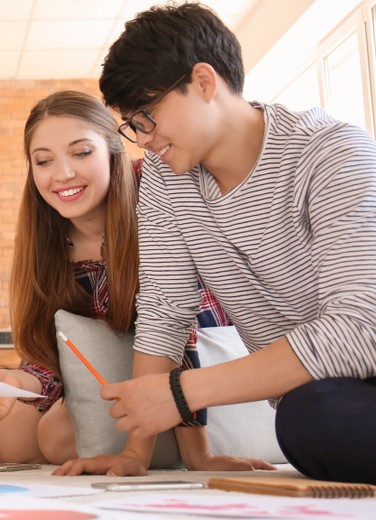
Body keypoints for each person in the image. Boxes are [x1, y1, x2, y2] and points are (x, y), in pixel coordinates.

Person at [55, 3, 376, 484]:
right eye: (132, 126)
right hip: (330, 398)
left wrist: (182, 392)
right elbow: (164, 308)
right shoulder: (166, 181)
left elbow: (360, 328)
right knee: (308, 419)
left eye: (146, 116)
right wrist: (135, 452)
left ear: (204, 82)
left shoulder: (332, 153)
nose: (144, 139)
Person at [0, 90, 272, 473]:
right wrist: (14, 382)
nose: (63, 174)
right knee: (9, 442)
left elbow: (181, 321)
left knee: (57, 437)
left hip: (197, 369)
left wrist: (196, 451)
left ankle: (173, 442)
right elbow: (58, 349)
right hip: (115, 370)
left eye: (82, 153)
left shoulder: (154, 195)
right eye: (43, 161)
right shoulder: (45, 238)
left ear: (113, 152)